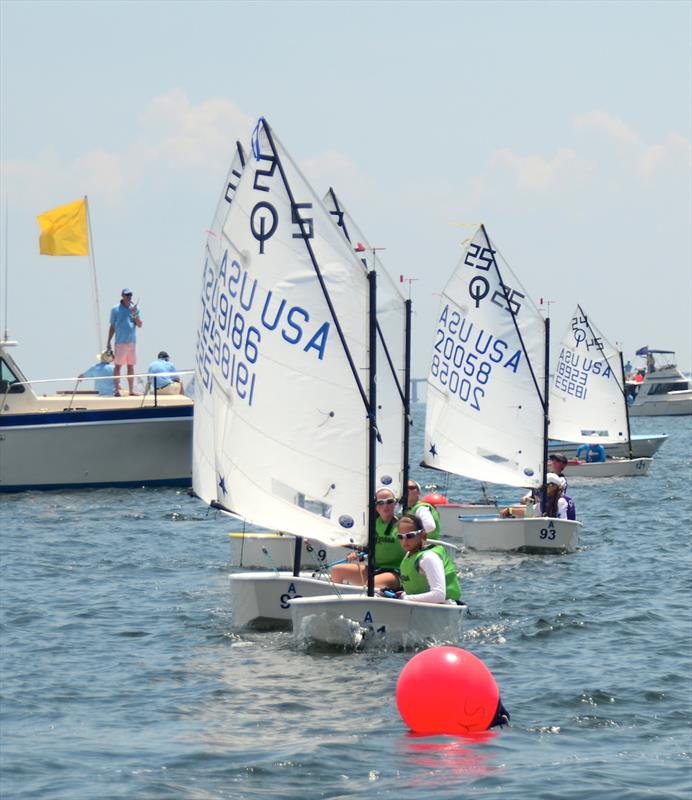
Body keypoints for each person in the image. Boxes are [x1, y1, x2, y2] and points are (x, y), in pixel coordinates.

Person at [330, 487, 403, 590]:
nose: (385, 505)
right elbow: (367, 546)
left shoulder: (402, 524)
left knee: (371, 584)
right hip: (374, 568)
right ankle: (339, 604)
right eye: (380, 502)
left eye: (389, 501)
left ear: (395, 504)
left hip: (395, 572)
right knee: (336, 571)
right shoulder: (371, 524)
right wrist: (356, 554)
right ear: (376, 506)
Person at [393, 514, 462, 604]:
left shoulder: (429, 558)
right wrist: (402, 594)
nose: (404, 541)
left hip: (445, 607)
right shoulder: (408, 556)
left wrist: (405, 598)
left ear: (423, 535)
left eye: (410, 536)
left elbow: (439, 595)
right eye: (400, 537)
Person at [107, 288, 143, 397]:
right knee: (118, 366)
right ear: (122, 295)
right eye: (127, 295)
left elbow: (140, 324)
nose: (129, 297)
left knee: (131, 366)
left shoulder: (135, 309)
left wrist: (135, 314)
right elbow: (112, 326)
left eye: (130, 295)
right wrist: (108, 341)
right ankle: (116, 389)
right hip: (120, 342)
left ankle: (131, 390)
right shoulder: (115, 309)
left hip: (131, 342)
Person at [502, 473, 569, 519]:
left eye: (544, 486)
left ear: (553, 487)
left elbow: (561, 521)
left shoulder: (561, 501)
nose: (541, 490)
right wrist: (509, 510)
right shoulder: (544, 502)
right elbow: (529, 512)